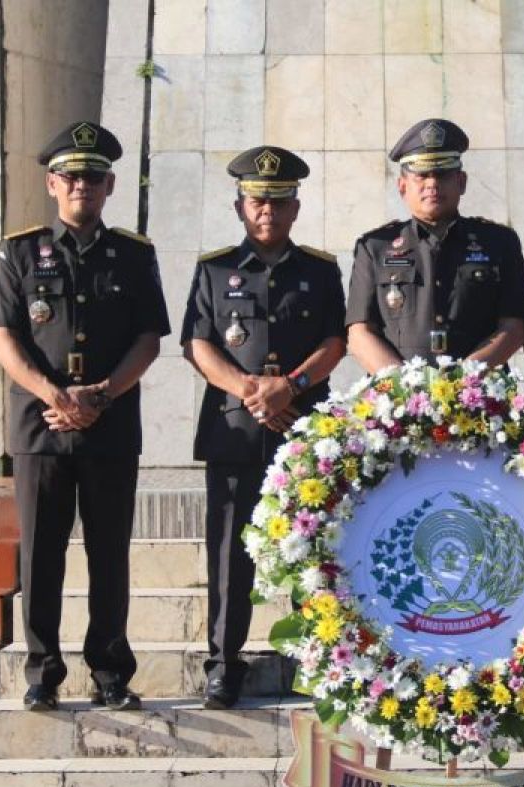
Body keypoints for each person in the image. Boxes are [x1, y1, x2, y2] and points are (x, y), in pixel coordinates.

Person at [0, 121, 171, 711]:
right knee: (41, 555)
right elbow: (3, 336)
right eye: (71, 178)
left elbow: (148, 337)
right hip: (40, 430)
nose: (81, 188)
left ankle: (110, 670)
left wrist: (104, 395)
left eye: (92, 178)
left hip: (110, 426)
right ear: (52, 183)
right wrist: (53, 394)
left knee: (109, 553)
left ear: (110, 185)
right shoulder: (19, 251)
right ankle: (42, 672)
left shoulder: (134, 254)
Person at [180, 146, 346, 709]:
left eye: (279, 201)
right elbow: (196, 344)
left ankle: (320, 661)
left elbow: (335, 342)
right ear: (239, 206)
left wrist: (290, 387)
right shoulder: (214, 268)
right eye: (257, 201)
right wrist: (251, 391)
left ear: (295, 206)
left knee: (310, 548)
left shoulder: (320, 271)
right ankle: (224, 666)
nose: (267, 211)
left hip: (303, 433)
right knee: (229, 554)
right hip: (235, 430)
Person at [345, 118, 524, 372]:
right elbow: (360, 332)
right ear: (402, 187)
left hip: (481, 397)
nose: (432, 184)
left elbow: (513, 328)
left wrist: (464, 380)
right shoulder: (375, 247)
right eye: (421, 176)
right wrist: (406, 386)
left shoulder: (498, 242)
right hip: (398, 403)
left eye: (442, 174)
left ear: (461, 182)